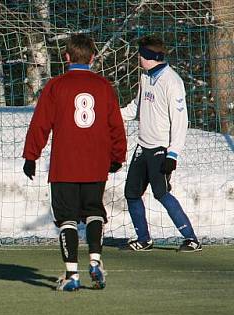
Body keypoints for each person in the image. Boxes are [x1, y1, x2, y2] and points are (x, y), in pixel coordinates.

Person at [22, 34, 127, 291]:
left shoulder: (56, 86)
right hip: (95, 164)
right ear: (93, 58)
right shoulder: (104, 87)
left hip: (64, 165)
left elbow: (40, 124)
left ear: (66, 58)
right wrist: (117, 156)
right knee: (94, 212)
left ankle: (72, 275)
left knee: (67, 218)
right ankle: (95, 261)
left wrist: (30, 156)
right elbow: (116, 126)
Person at [119, 36, 201, 252]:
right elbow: (136, 108)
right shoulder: (145, 77)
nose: (138, 57)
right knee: (131, 193)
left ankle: (191, 239)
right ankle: (144, 239)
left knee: (161, 193)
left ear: (151, 57)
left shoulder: (172, 82)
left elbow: (180, 122)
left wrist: (172, 154)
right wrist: (111, 115)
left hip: (160, 149)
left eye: (141, 53)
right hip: (142, 146)